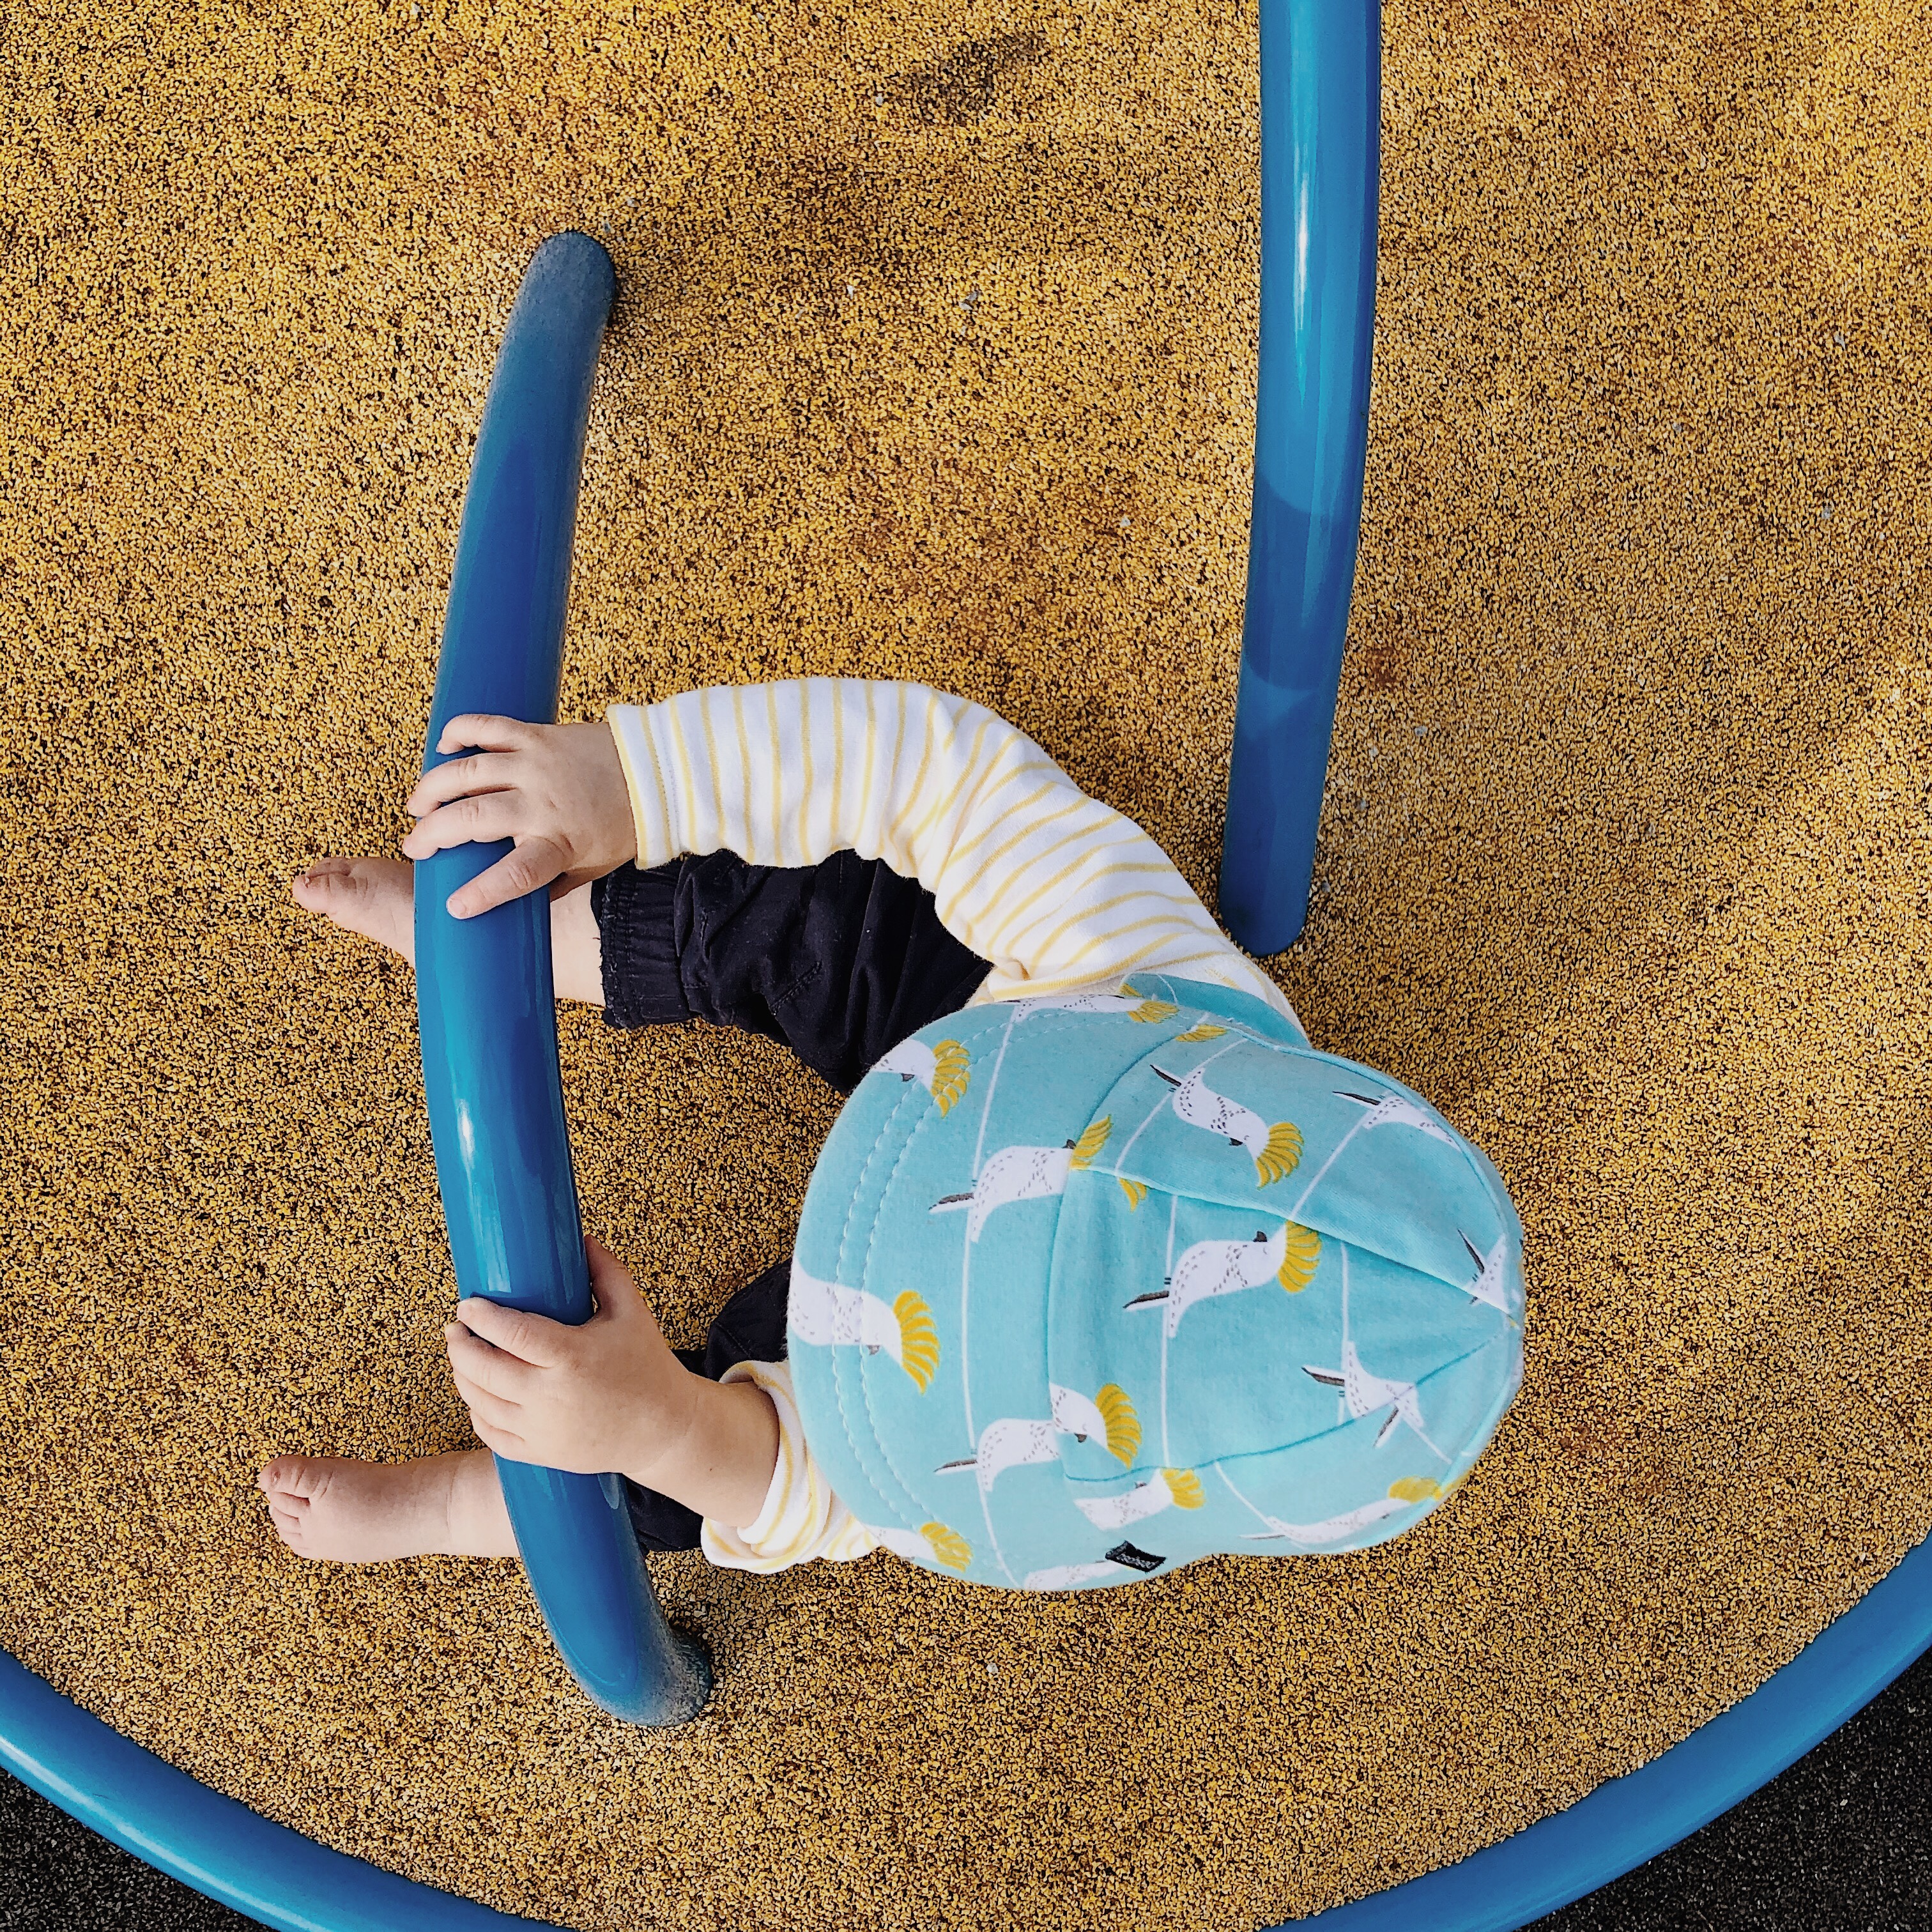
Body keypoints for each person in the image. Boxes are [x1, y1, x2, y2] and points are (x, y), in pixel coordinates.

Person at [260, 679, 1524, 1591]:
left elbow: (797, 1489)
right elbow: (936, 770)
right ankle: (523, 948)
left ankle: (466, 1505)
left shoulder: (1025, 1463)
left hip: (924, 1373)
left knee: (672, 1460)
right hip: (995, 1002)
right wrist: (635, 782)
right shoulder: (1128, 951)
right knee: (813, 916)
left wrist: (643, 1420)